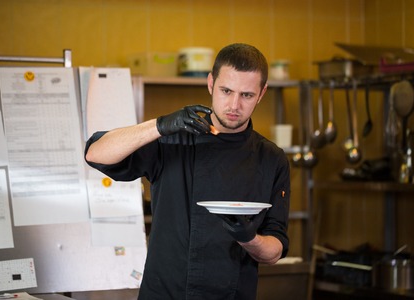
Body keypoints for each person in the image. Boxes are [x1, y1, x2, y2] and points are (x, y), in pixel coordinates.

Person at [84, 43, 291, 300]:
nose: (234, 105)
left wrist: (248, 238)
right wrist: (160, 125)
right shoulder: (173, 141)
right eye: (226, 91)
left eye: (247, 95)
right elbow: (95, 153)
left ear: (261, 94)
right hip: (164, 293)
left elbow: (274, 250)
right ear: (210, 83)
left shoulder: (271, 158)